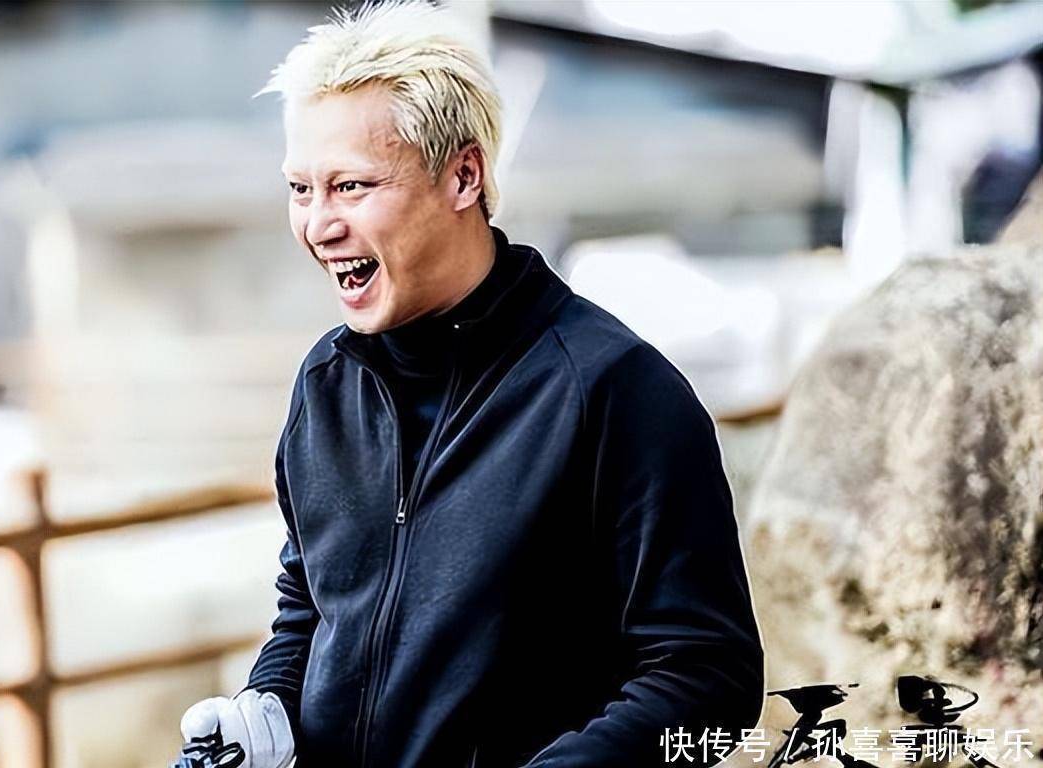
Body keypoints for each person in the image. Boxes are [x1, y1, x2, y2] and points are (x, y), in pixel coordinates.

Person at [175, 3, 764, 766]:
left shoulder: (614, 389)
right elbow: (312, 608)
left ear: (462, 176)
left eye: (351, 186)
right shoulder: (325, 385)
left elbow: (705, 674)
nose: (318, 225)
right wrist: (264, 712)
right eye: (300, 189)